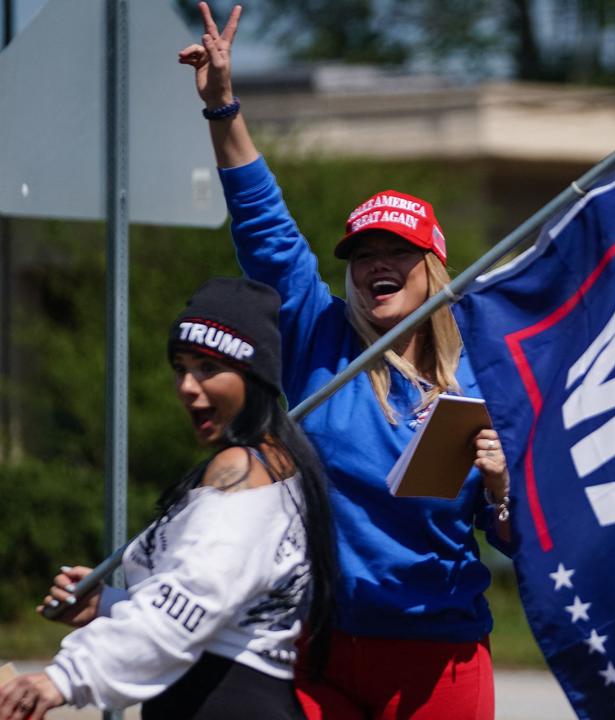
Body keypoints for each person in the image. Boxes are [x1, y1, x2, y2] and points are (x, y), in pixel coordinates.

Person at [177, 5, 514, 719]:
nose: (376, 266)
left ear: (433, 267)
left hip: (439, 662)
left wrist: (500, 486)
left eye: (395, 252)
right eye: (362, 255)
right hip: (319, 648)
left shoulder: (483, 377)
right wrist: (222, 106)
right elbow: (265, 226)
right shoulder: (319, 334)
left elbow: (514, 538)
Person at [0, 277, 338, 720]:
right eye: (181, 367)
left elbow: (189, 601)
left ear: (254, 376)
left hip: (222, 702)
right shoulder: (277, 464)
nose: (187, 386)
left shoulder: (242, 472)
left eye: (208, 368)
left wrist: (61, 678)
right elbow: (216, 610)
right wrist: (106, 605)